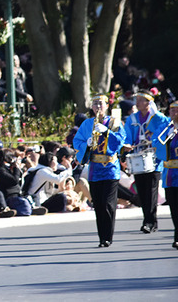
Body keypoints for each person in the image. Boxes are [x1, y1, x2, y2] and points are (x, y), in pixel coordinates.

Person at [73, 94, 126, 247]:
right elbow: (77, 141)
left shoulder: (114, 123)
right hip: (95, 169)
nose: (98, 107)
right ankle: (102, 237)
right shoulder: (87, 124)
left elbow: (120, 142)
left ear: (107, 106)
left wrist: (106, 132)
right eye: (95, 104)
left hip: (110, 168)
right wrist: (87, 144)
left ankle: (108, 236)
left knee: (109, 204)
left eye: (100, 104)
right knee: (99, 204)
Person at [122, 90, 167, 233]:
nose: (138, 102)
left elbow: (166, 131)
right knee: (141, 190)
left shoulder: (159, 118)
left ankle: (150, 221)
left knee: (151, 190)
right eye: (137, 100)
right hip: (137, 157)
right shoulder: (132, 119)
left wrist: (154, 138)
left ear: (149, 102)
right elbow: (127, 135)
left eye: (141, 100)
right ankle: (147, 219)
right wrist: (127, 144)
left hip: (154, 158)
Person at [152, 101, 178, 249]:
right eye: (171, 110)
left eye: (176, 111)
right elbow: (156, 144)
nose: (174, 114)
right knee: (173, 208)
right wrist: (167, 138)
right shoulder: (165, 128)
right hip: (169, 175)